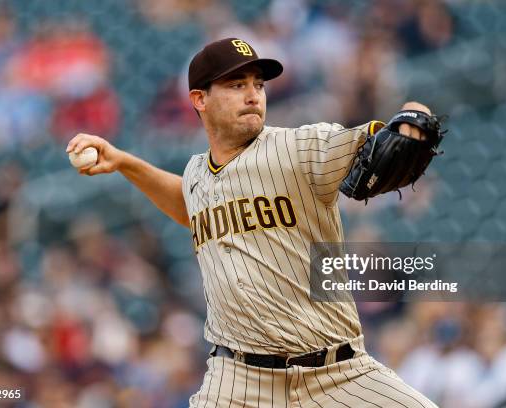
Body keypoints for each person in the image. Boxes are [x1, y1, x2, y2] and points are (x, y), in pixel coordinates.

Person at [67, 37, 437, 407]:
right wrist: (124, 163)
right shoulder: (197, 172)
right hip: (238, 382)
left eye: (258, 85)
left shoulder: (300, 146)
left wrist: (413, 117)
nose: (253, 95)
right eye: (236, 85)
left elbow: (387, 138)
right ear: (200, 99)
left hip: (338, 372)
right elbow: (189, 205)